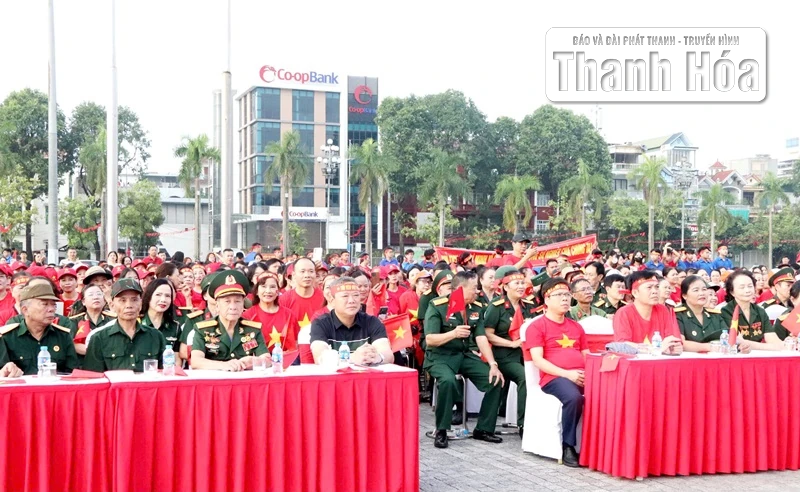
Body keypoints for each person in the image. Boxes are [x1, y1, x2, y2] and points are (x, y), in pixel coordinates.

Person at [424, 271, 505, 449]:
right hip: (440, 356)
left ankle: (484, 428)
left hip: (463, 354)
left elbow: (481, 337)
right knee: (447, 381)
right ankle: (442, 430)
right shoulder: (437, 305)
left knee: (495, 380)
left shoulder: (475, 307)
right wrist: (453, 333)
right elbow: (430, 339)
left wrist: (492, 364)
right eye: (474, 288)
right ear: (460, 289)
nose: (477, 292)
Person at [524, 278, 589, 467]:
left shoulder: (577, 326)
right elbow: (538, 360)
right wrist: (567, 374)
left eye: (567, 295)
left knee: (606, 394)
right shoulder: (537, 326)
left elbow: (586, 355)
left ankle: (596, 447)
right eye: (559, 295)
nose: (565, 299)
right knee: (573, 398)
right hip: (554, 378)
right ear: (546, 299)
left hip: (581, 374)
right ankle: (568, 446)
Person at [483, 267, 539, 437]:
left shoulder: (529, 305)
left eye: (523, 282)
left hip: (527, 354)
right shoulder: (497, 307)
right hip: (504, 355)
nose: (521, 286)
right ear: (506, 287)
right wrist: (511, 344)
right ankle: (524, 424)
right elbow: (487, 334)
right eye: (517, 283)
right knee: (524, 377)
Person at [191, 270, 270, 371]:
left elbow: (267, 360)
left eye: (237, 301)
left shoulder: (252, 329)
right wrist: (223, 365)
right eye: (227, 301)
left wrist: (252, 361)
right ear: (217, 305)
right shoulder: (203, 329)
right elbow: (196, 361)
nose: (233, 307)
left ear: (243, 305)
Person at [83, 279, 167, 372]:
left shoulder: (156, 336)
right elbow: (93, 379)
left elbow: (166, 374)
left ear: (141, 303)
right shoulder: (99, 339)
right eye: (122, 300)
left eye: (134, 300)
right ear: (112, 304)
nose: (129, 305)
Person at [309, 276, 394, 365]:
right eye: (345, 296)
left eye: (356, 295)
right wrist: (352, 358)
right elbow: (320, 357)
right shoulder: (320, 323)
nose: (351, 300)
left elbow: (388, 355)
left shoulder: (372, 322)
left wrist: (377, 357)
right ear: (332, 300)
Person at [0, 283, 78, 375]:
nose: (51, 309)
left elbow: (73, 374)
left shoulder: (63, 336)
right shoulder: (7, 337)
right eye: (44, 304)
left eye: (53, 305)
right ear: (25, 310)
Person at [612, 270, 683, 354]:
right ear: (635, 293)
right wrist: (655, 348)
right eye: (649, 287)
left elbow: (670, 338)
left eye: (657, 287)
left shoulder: (663, 310)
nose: (655, 291)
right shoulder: (623, 313)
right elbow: (623, 345)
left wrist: (673, 347)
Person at [674, 275, 739, 353]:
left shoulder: (715, 315)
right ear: (684, 295)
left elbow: (728, 338)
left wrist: (740, 344)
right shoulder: (678, 315)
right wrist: (711, 347)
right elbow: (681, 343)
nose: (701, 293)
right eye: (696, 290)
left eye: (704, 289)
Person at [720, 270, 782, 350]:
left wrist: (785, 344)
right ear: (732, 292)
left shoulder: (760, 311)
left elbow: (772, 339)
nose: (747, 290)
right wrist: (770, 347)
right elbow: (738, 341)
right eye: (742, 287)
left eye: (750, 286)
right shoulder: (726, 311)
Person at [243, 272, 300, 355]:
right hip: (259, 363)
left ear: (277, 291)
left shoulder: (289, 315)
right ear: (256, 291)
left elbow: (295, 343)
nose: (268, 291)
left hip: (286, 362)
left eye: (272, 287)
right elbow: (245, 347)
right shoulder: (247, 316)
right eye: (263, 286)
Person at [139, 279, 182, 362]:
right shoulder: (136, 322)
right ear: (149, 296)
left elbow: (177, 359)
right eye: (158, 295)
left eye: (167, 296)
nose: (163, 300)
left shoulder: (175, 327)